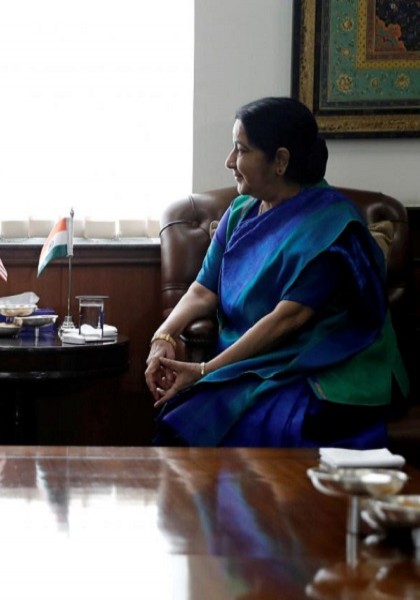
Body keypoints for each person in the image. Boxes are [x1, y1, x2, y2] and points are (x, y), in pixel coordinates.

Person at [145, 96, 407, 448]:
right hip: (253, 361)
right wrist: (162, 338)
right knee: (179, 419)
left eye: (241, 150)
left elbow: (288, 319)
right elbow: (203, 290)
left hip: (322, 365)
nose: (229, 162)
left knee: (261, 422)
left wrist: (207, 371)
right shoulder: (240, 212)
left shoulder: (332, 226)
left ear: (280, 160)